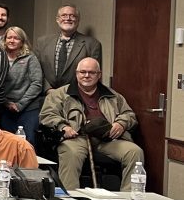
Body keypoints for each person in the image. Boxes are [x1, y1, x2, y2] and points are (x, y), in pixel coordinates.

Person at [40, 58, 143, 191]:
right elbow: (47, 115)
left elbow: (129, 114)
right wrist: (63, 126)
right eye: (83, 72)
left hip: (107, 139)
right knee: (71, 153)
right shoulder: (59, 94)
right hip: (75, 138)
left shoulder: (112, 95)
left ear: (99, 74)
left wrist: (121, 123)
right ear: (76, 73)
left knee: (135, 152)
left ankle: (129, 198)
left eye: (91, 72)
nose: (86, 76)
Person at [38, 5, 103, 89]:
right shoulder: (42, 42)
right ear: (57, 19)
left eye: (72, 16)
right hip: (47, 96)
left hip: (77, 96)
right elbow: (37, 72)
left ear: (78, 20)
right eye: (64, 15)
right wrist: (48, 90)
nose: (68, 18)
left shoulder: (92, 44)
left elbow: (94, 74)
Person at [0, 26, 44, 145]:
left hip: (28, 107)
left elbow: (37, 84)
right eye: (9, 37)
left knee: (27, 142)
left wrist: (20, 104)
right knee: (6, 142)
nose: (12, 41)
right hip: (5, 107)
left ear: (22, 41)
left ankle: (27, 164)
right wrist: (6, 102)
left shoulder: (30, 58)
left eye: (16, 38)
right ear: (5, 40)